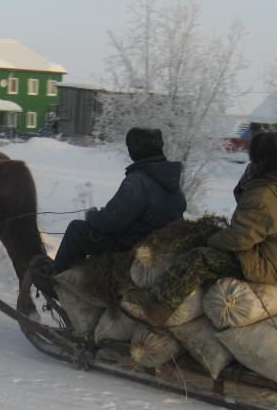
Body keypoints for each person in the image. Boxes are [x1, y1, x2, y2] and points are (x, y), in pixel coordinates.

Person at [120, 131, 277, 326]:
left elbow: (239, 239)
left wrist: (209, 240)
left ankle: (155, 310)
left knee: (199, 258)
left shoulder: (263, 195)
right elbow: (252, 220)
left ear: (261, 163)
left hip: (265, 263)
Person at [33, 127, 187, 298]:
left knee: (76, 230)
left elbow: (111, 221)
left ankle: (56, 284)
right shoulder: (170, 179)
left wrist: (92, 215)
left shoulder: (138, 180)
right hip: (155, 243)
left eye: (130, 146)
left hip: (131, 245)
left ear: (136, 150)